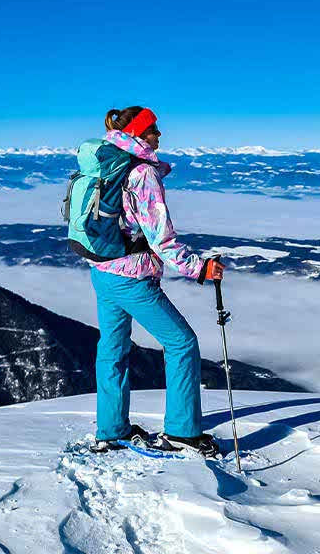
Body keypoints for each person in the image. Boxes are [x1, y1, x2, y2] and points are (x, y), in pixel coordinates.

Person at [88, 105, 225, 456]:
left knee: (113, 349)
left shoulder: (105, 161)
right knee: (181, 343)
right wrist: (199, 268)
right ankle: (182, 432)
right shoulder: (141, 173)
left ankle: (111, 428)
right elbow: (161, 239)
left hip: (102, 271)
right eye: (153, 130)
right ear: (138, 133)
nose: (159, 135)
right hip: (132, 277)